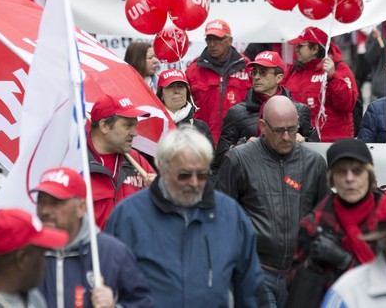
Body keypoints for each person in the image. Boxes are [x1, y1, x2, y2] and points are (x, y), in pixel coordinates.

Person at [105, 127, 266, 307]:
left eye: (202, 174)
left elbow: (251, 289)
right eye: (184, 175)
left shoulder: (230, 214)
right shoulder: (128, 216)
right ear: (163, 169)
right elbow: (109, 284)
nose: (194, 183)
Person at [215, 95, 328, 308]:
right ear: (262, 127)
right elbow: (221, 217)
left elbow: (325, 217)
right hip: (256, 272)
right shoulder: (238, 160)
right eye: (278, 130)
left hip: (299, 274)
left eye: (292, 129)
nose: (286, 137)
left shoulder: (314, 163)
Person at [32, 166, 152, 308]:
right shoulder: (25, 254)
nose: (45, 211)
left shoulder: (112, 253)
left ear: (81, 208)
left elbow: (142, 303)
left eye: (55, 203)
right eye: (41, 202)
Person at [286, 139, 382, 306]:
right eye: (341, 172)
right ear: (332, 179)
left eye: (357, 171)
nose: (349, 178)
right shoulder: (313, 224)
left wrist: (344, 260)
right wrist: (311, 267)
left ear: (370, 175)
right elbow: (292, 285)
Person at [213, 51, 319, 173]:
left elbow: (316, 151)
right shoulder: (236, 113)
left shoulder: (299, 110)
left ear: (279, 78)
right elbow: (220, 159)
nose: (257, 77)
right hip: (251, 184)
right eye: (254, 72)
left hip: (289, 181)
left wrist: (303, 141)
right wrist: (242, 148)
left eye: (263, 72)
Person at [88, 94, 156, 228]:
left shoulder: (136, 160)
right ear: (104, 126)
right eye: (128, 126)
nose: (135, 133)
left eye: (135, 125)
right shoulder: (77, 163)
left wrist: (160, 192)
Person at [281, 26, 358, 143]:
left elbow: (346, 106)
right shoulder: (293, 70)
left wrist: (333, 77)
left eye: (300, 46)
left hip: (332, 143)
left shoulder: (339, 69)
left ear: (315, 49)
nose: (296, 49)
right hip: (301, 142)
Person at [185, 19, 252, 143]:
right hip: (202, 142)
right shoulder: (193, 70)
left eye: (217, 39)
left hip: (238, 143)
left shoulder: (247, 67)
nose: (212, 44)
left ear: (230, 41)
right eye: (209, 39)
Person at [155, 68, 213, 145]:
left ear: (187, 92)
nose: (176, 91)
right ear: (161, 94)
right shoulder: (152, 126)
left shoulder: (200, 127)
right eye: (170, 87)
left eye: (180, 86)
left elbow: (210, 156)